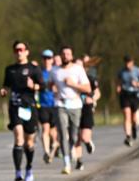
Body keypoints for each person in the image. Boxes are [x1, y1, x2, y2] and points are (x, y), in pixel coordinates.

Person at [0, 40, 43, 181]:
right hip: (15, 106)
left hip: (29, 106)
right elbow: (6, 85)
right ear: (14, 52)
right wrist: (4, 90)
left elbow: (43, 87)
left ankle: (29, 168)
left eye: (22, 49)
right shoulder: (10, 69)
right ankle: (18, 171)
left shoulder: (34, 69)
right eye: (16, 50)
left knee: (29, 142)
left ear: (27, 52)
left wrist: (34, 86)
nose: (19, 52)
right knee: (18, 136)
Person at [54, 46, 91, 174]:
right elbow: (48, 85)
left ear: (72, 56)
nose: (65, 56)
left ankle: (71, 150)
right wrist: (50, 87)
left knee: (74, 136)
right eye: (63, 54)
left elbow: (87, 88)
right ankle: (66, 163)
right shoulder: (55, 70)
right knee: (63, 134)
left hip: (75, 105)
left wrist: (72, 84)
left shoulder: (78, 69)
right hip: (60, 104)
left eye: (68, 54)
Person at [77, 54, 101, 164]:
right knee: (75, 136)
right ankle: (79, 160)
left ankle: (87, 142)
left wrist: (92, 99)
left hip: (86, 107)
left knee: (84, 137)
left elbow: (97, 93)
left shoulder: (89, 79)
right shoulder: (69, 79)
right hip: (74, 108)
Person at [38, 50, 60, 163]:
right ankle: (46, 152)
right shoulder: (39, 72)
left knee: (53, 132)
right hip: (43, 105)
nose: (47, 60)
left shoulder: (56, 72)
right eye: (44, 58)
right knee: (44, 129)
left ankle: (54, 145)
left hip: (55, 104)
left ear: (52, 59)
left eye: (49, 58)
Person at [117, 55, 139, 147]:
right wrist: (119, 87)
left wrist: (137, 84)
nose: (128, 65)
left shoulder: (138, 71)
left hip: (135, 95)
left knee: (134, 118)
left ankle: (134, 127)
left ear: (132, 62)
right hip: (125, 95)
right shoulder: (121, 71)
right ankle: (128, 136)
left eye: (129, 63)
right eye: (126, 63)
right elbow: (119, 81)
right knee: (126, 115)